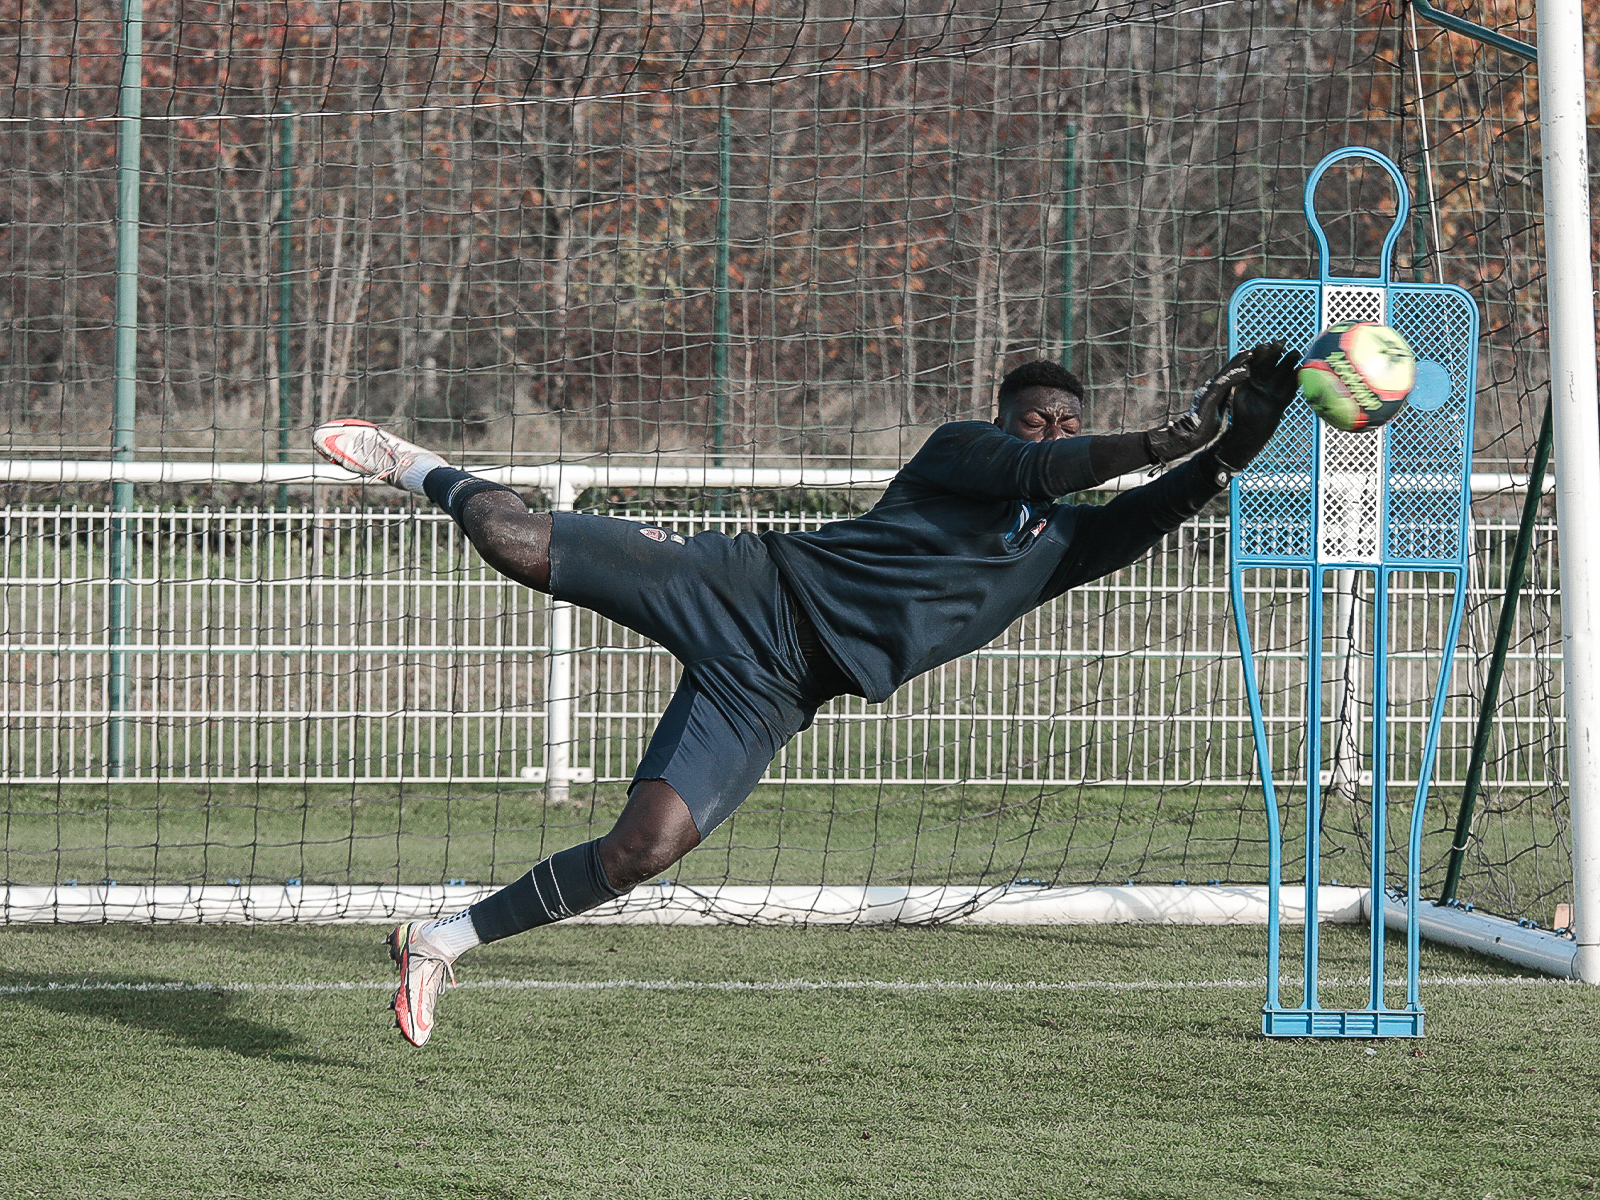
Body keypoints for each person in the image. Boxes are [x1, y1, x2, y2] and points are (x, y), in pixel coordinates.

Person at [312, 342, 1301, 1045]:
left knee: (642, 850)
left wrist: (1229, 449)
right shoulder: (962, 453)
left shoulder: (1065, 546)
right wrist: (1167, 434)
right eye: (1037, 417)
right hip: (746, 585)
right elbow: (1047, 466)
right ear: (1005, 420)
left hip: (780, 686)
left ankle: (439, 941)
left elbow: (1161, 505)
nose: (1054, 429)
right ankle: (417, 465)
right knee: (510, 539)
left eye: (1068, 419)